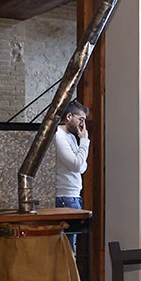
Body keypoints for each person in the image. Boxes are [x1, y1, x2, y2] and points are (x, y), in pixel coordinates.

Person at [53, 99, 90, 251]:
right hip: (65, 197)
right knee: (68, 248)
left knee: (71, 245)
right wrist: (84, 141)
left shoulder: (70, 136)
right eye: (81, 119)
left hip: (73, 195)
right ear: (69, 117)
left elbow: (82, 167)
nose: (83, 125)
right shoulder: (59, 136)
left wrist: (80, 155)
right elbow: (76, 164)